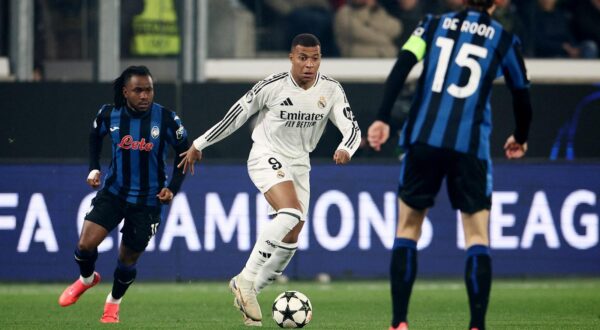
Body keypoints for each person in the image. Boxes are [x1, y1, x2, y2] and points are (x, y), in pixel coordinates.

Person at [367, 0, 532, 329]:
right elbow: (521, 94)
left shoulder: (431, 24)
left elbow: (402, 64)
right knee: (476, 235)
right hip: (469, 146)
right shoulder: (504, 39)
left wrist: (383, 117)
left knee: (408, 228)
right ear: (496, 2)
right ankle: (476, 325)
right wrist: (520, 135)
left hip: (423, 139)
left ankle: (399, 322)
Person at [178, 33, 361, 326]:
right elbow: (236, 116)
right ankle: (246, 280)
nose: (309, 65)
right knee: (290, 213)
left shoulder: (331, 89)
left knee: (292, 235)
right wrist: (200, 143)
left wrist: (345, 147)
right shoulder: (272, 86)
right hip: (266, 154)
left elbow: (351, 127)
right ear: (291, 57)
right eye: (303, 58)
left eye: (315, 58)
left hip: (300, 162)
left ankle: (251, 292)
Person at [58, 65, 189, 323]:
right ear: (125, 91)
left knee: (126, 260)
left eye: (149, 90)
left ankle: (112, 304)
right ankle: (87, 279)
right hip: (114, 193)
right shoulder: (109, 114)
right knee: (84, 245)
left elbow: (186, 153)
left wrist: (172, 188)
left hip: (148, 202)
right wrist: (94, 168)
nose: (144, 96)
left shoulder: (166, 119)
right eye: (138, 90)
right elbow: (95, 136)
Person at [334, 0, 402, 57]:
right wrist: (385, 40)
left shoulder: (377, 11)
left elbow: (396, 27)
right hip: (355, 61)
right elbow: (359, 33)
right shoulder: (344, 13)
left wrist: (372, 12)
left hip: (383, 60)